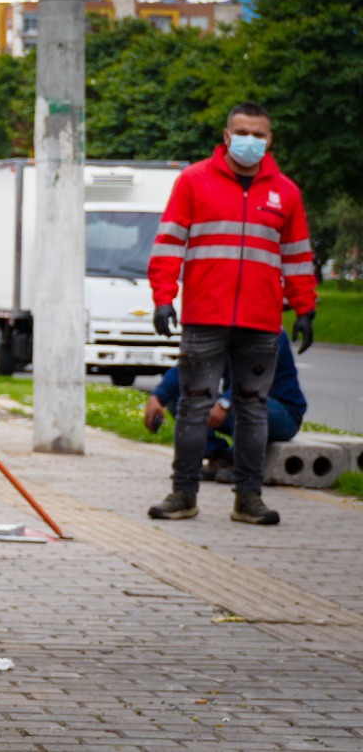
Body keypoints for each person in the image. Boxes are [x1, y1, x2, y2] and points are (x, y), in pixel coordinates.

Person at [147, 102, 317, 525]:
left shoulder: (287, 193)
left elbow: (297, 256)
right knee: (193, 407)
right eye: (242, 132)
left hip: (260, 322)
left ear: (269, 140)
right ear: (226, 137)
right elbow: (169, 243)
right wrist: (164, 297)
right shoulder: (193, 181)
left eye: (258, 134)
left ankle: (249, 500)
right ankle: (182, 494)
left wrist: (304, 308)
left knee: (254, 409)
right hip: (205, 315)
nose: (250, 141)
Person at [145, 330, 307, 482]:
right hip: (238, 402)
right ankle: (217, 455)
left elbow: (253, 378)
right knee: (180, 394)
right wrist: (157, 397)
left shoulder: (271, 332)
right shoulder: (220, 329)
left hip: (282, 414)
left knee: (244, 402)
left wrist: (224, 403)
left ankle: (236, 461)